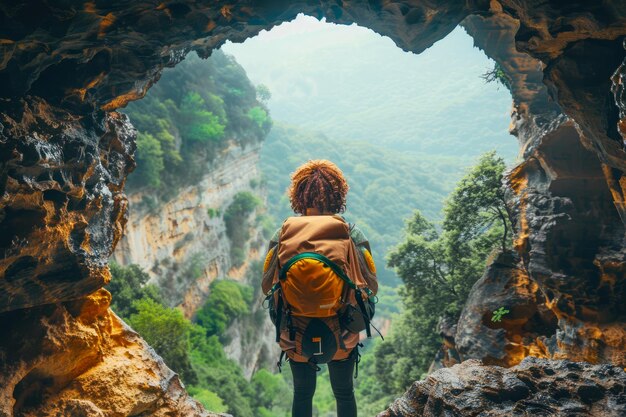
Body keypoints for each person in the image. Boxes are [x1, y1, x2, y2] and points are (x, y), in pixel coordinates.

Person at [261, 159, 378, 417]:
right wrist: (356, 328)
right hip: (341, 332)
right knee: (344, 393)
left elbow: (269, 288)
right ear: (338, 195)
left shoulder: (283, 234)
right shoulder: (351, 233)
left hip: (296, 333)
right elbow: (370, 287)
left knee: (302, 394)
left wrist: (281, 331)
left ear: (298, 196)